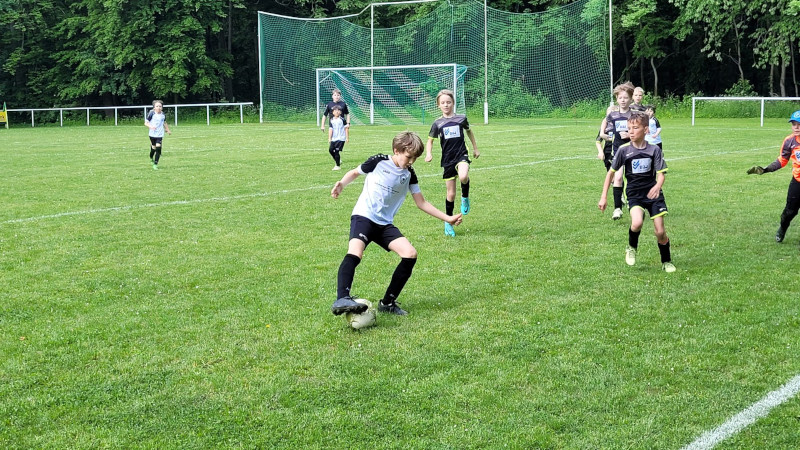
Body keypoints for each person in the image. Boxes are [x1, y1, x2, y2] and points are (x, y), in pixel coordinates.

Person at [330, 131, 463, 317]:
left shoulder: (409, 174)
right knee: (355, 253)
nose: (411, 162)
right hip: (364, 216)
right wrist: (342, 184)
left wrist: (447, 218)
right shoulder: (379, 161)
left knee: (410, 254)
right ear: (396, 150)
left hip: (384, 224)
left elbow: (421, 203)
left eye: (415, 158)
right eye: (409, 157)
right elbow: (355, 172)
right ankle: (342, 298)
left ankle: (387, 302)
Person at [599, 112, 676, 272]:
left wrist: (657, 186)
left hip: (654, 195)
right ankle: (631, 247)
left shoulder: (654, 150)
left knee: (660, 231)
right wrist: (604, 196)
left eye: (635, 128)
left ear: (646, 130)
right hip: (634, 194)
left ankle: (666, 261)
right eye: (629, 128)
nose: (631, 131)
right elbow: (611, 173)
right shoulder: (623, 150)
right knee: (637, 223)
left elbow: (661, 174)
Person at [425, 89, 480, 237]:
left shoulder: (461, 119)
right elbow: (430, 141)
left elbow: (469, 132)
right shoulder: (437, 123)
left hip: (461, 154)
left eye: (448, 102)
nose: (446, 105)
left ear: (453, 103)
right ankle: (448, 223)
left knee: (463, 176)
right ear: (438, 105)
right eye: (443, 103)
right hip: (447, 160)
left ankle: (465, 198)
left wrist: (475, 148)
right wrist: (428, 153)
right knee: (450, 194)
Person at [747, 110, 800, 243]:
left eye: (799, 124)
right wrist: (765, 170)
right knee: (789, 212)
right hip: (797, 182)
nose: (796, 127)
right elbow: (782, 161)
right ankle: (782, 228)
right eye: (793, 124)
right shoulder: (789, 141)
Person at [599, 81, 635, 220]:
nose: (623, 100)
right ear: (617, 99)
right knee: (618, 177)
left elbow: (643, 131)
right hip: (618, 151)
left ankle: (633, 203)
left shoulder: (634, 115)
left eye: (625, 98)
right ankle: (617, 209)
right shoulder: (613, 115)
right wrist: (602, 133)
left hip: (632, 150)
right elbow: (605, 120)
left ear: (630, 99)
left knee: (632, 179)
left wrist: (630, 135)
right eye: (620, 98)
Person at [145, 100, 171, 170]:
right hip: (152, 134)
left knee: (158, 148)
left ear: (162, 107)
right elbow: (146, 123)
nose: (159, 107)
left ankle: (155, 164)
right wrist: (151, 126)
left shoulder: (163, 115)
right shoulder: (151, 114)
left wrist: (168, 130)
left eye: (160, 106)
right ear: (154, 107)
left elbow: (164, 123)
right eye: (157, 106)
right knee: (153, 148)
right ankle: (151, 158)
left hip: (160, 134)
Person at [595, 105, 619, 171]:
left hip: (619, 151)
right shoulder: (606, 127)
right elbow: (598, 141)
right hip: (608, 152)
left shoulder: (620, 125)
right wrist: (600, 152)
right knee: (611, 174)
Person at [326, 105, 348, 170]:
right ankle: (338, 160)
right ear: (333, 112)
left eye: (339, 110)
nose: (337, 112)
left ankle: (337, 166)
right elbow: (330, 129)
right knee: (330, 150)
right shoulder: (331, 120)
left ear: (341, 112)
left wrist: (347, 137)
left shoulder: (342, 120)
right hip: (334, 138)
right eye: (335, 110)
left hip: (341, 138)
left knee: (336, 151)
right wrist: (329, 138)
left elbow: (346, 129)